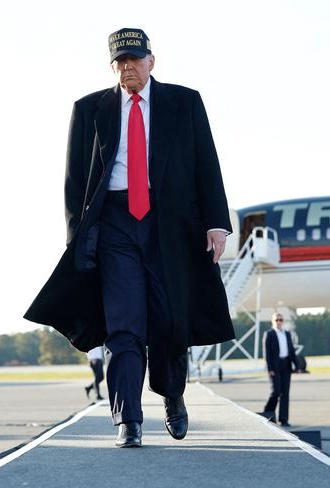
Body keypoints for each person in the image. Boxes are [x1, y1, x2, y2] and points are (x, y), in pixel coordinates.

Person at [25, 27, 234, 448]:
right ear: (112, 66)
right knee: (123, 326)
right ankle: (128, 419)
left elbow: (205, 163)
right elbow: (74, 180)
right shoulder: (89, 110)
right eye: (121, 61)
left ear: (151, 61)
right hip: (115, 224)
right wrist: (76, 240)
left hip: (170, 225)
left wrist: (216, 222)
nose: (129, 67)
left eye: (135, 59)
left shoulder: (184, 102)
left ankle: (172, 393)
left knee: (170, 320)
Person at [262, 313, 300, 427]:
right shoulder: (269, 334)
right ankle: (268, 414)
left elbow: (291, 351)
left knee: (285, 393)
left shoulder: (287, 334)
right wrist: (269, 368)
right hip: (274, 366)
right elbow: (266, 353)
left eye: (280, 319)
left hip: (286, 365)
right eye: (276, 319)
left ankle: (284, 419)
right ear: (272, 321)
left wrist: (297, 366)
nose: (279, 321)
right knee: (276, 391)